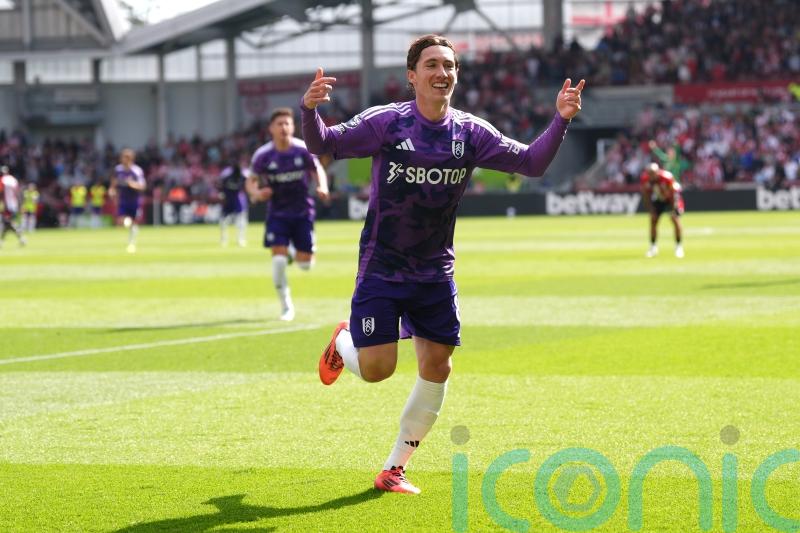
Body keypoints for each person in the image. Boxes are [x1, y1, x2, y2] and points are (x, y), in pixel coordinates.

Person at [301, 34, 584, 494]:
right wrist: (309, 110)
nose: (442, 72)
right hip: (383, 267)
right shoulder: (387, 122)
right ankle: (343, 343)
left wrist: (562, 119)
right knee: (377, 370)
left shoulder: (470, 133)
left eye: (449, 65)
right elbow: (324, 144)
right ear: (412, 76)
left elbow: (531, 163)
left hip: (434, 272)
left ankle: (394, 468)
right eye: (431, 65)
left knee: (438, 366)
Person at [247, 108, 330, 321]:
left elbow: (318, 170)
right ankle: (286, 307)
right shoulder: (263, 155)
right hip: (277, 214)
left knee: (305, 265)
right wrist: (256, 193)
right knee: (278, 261)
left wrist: (322, 186)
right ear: (271, 128)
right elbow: (250, 181)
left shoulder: (303, 149)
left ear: (293, 127)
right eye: (280, 124)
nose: (284, 127)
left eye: (287, 123)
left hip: (303, 212)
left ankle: (294, 252)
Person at [640, 162, 684, 258]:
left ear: (657, 172)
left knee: (675, 219)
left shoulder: (666, 177)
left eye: (653, 174)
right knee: (653, 220)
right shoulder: (645, 179)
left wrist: (674, 208)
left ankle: (678, 246)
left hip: (671, 199)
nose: (651, 176)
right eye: (649, 174)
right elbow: (645, 194)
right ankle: (653, 247)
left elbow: (673, 193)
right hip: (658, 199)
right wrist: (650, 208)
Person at [110, 149, 146, 253]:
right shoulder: (118, 170)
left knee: (133, 222)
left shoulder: (136, 171)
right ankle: (130, 232)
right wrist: (112, 190)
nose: (123, 160)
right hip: (123, 199)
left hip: (134, 200)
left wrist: (132, 184)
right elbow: (114, 183)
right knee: (121, 220)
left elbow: (142, 186)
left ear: (130, 159)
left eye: (125, 158)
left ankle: (131, 242)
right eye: (122, 157)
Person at [218, 162, 248, 247]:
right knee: (223, 220)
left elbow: (247, 186)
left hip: (238, 199)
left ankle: (241, 239)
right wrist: (221, 194)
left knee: (241, 220)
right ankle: (223, 239)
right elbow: (220, 185)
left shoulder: (243, 176)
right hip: (228, 199)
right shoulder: (226, 176)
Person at [0, 166, 26, 247]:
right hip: (14, 204)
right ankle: (20, 239)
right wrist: (20, 204)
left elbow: (1, 193)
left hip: (7, 205)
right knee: (7, 223)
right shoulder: (13, 179)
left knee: (8, 223)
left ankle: (21, 238)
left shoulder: (2, 180)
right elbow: (18, 192)